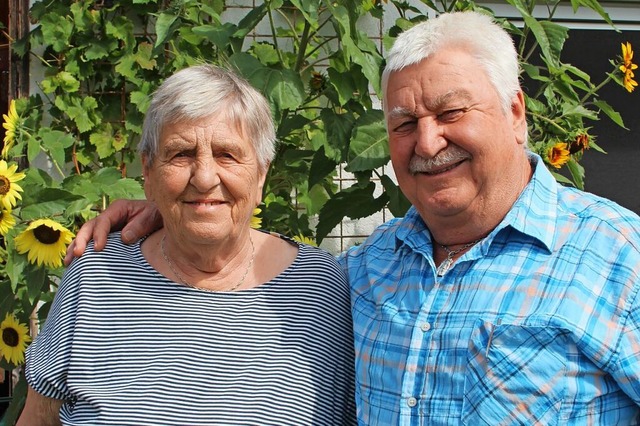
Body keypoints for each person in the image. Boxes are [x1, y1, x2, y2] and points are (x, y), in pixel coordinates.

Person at [64, 11, 640, 425]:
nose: (428, 141)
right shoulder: (364, 271)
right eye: (403, 123)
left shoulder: (618, 255)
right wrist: (177, 211)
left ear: (515, 112)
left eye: (451, 111)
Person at [18, 64, 356, 425]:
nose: (205, 177)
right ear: (147, 172)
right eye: (181, 154)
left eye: (227, 154)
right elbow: (39, 418)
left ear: (261, 174)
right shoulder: (98, 275)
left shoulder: (321, 286)